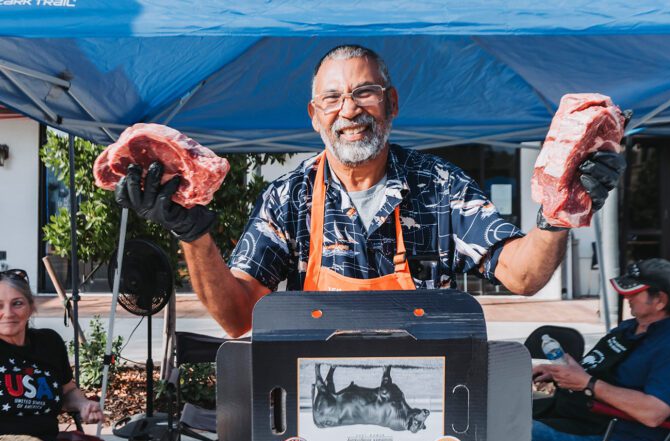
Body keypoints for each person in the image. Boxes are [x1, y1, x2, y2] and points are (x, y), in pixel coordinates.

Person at [115, 44, 625, 337]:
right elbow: (238, 316)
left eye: (364, 92)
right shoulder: (288, 198)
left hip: (433, 399)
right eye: (332, 98)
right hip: (319, 396)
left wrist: (560, 211)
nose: (350, 109)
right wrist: (193, 233)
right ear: (315, 117)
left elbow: (522, 275)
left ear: (392, 102)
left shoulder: (439, 185)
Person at [493, 259, 670, 441]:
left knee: (509, 438)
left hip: (621, 434)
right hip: (578, 413)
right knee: (490, 418)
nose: (627, 298)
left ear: (660, 300)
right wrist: (563, 371)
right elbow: (594, 368)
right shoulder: (630, 328)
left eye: (635, 292)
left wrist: (588, 384)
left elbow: (654, 413)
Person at [0, 269, 141, 441]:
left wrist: (84, 404)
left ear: (31, 307)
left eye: (17, 303)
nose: (8, 313)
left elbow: (67, 391)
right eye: (0, 305)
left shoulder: (48, 343)